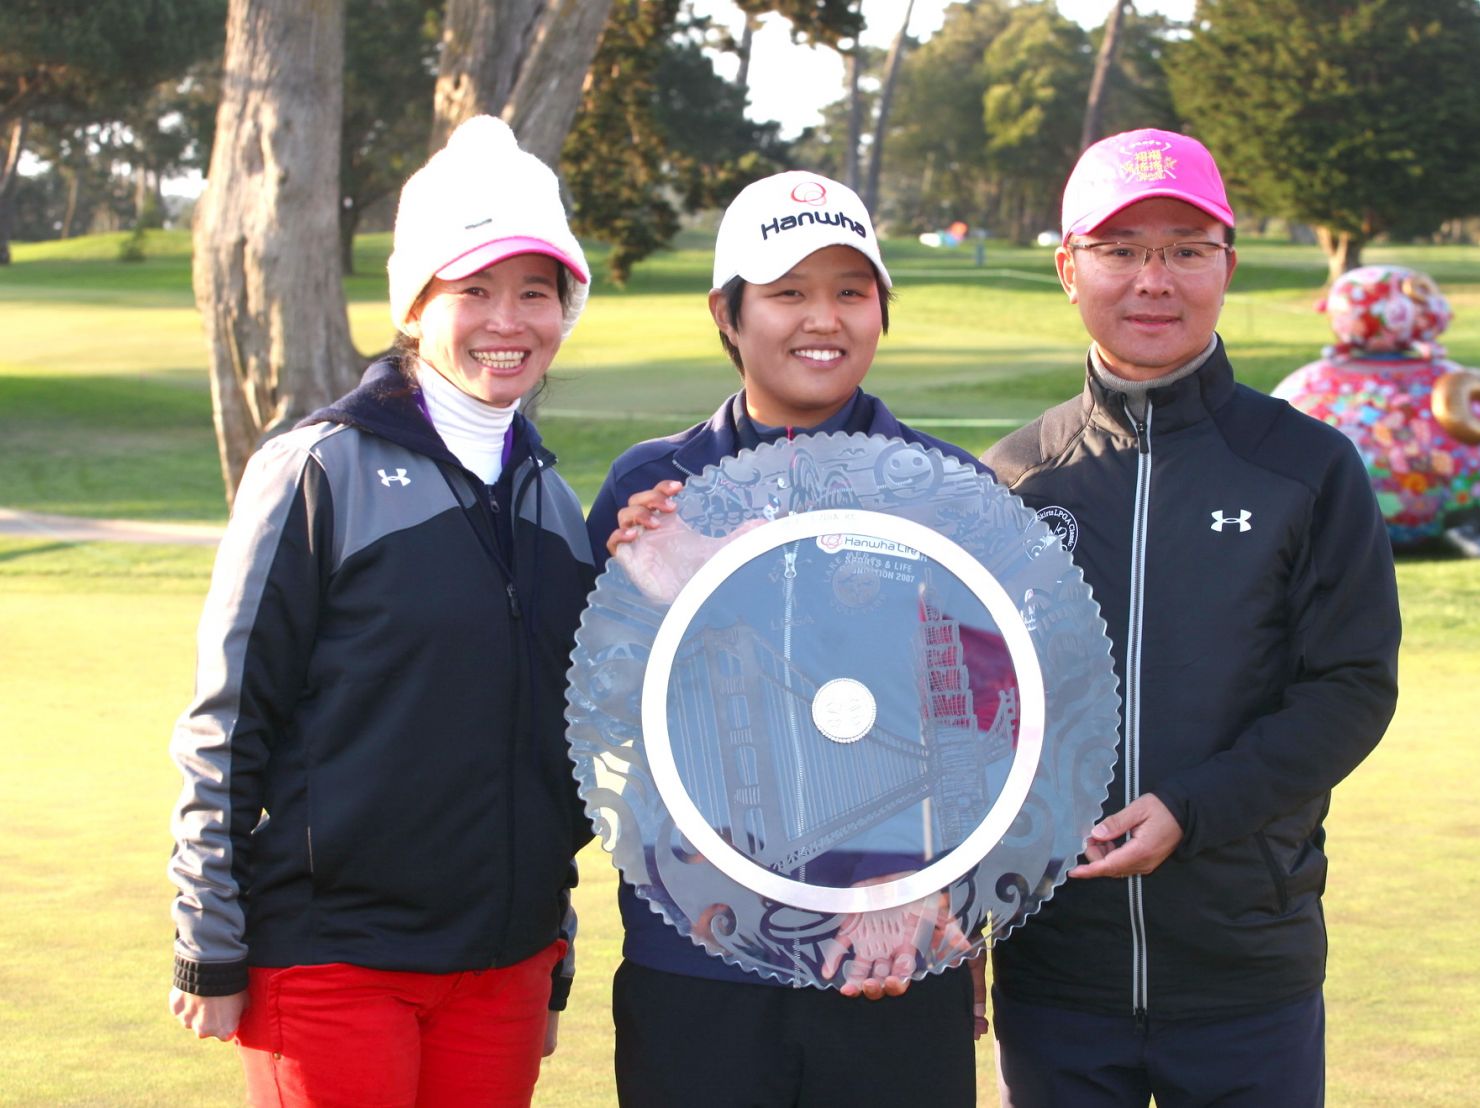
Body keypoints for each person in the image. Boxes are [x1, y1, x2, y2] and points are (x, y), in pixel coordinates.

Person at [166, 116, 597, 1106]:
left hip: (503, 963)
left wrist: (552, 942)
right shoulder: (318, 470)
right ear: (415, 304)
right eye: (474, 289)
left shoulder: (556, 507)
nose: (509, 319)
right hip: (333, 958)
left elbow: (548, 752)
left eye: (536, 291)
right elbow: (227, 723)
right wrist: (210, 938)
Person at [981, 128, 1402, 1106]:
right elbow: (965, 713)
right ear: (1065, 268)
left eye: (1183, 247)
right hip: (1056, 979)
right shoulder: (1008, 480)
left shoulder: (1306, 466)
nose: (1151, 280)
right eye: (1119, 250)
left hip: (1244, 971)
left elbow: (1349, 689)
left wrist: (1190, 808)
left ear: (1228, 263)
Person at [587, 170, 985, 1108]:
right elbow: (598, 723)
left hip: (891, 954)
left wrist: (943, 896)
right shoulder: (653, 490)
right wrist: (657, 597)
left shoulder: (951, 490)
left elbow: (997, 728)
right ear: (727, 314)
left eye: (851, 292)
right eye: (788, 292)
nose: (824, 319)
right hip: (697, 960)